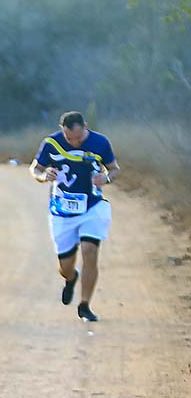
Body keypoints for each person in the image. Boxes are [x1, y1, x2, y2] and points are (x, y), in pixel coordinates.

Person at [30, 111, 119, 321]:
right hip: (62, 211)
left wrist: (105, 178)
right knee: (65, 267)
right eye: (69, 138)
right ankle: (71, 279)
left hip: (93, 206)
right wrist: (43, 176)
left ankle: (85, 305)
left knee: (90, 251)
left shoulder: (100, 142)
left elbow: (114, 169)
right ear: (63, 131)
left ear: (85, 127)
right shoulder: (51, 143)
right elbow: (35, 168)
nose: (74, 142)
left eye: (78, 138)